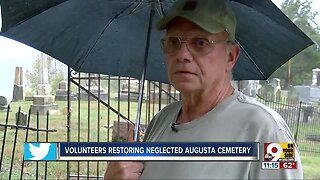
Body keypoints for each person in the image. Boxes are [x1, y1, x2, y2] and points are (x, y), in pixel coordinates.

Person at [104, 0, 303, 179]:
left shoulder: (267, 131)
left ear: (231, 56)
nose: (182, 55)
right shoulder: (162, 119)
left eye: (200, 43)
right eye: (173, 42)